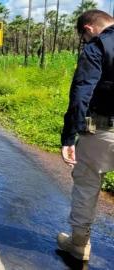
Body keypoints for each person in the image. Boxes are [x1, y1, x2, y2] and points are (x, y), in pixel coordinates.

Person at [59, 10, 114, 261]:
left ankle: (79, 243)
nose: (85, 41)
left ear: (89, 28)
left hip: (102, 131)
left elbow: (82, 94)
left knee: (87, 183)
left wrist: (69, 136)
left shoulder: (98, 46)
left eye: (83, 37)